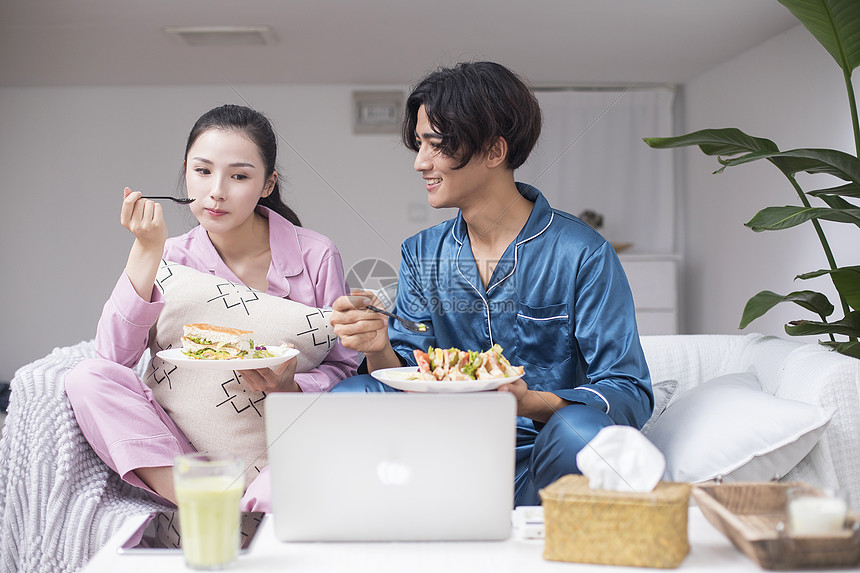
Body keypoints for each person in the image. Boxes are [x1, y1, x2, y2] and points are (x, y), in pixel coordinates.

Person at [329, 62, 653, 506]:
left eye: (436, 145)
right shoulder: (421, 253)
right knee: (353, 395)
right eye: (420, 145)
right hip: (441, 449)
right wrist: (377, 346)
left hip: (545, 455)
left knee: (583, 432)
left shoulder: (583, 253)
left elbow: (629, 391)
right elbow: (404, 372)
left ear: (494, 151)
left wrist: (529, 402)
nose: (420, 162)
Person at [65, 104, 358, 511]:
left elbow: (346, 368)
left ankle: (236, 503)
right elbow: (113, 359)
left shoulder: (317, 255)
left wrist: (291, 387)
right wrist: (146, 251)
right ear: (186, 172)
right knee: (88, 378)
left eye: (239, 176)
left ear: (268, 184)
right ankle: (204, 502)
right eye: (202, 171)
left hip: (280, 440)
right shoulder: (169, 256)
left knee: (290, 481)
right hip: (183, 446)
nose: (216, 191)